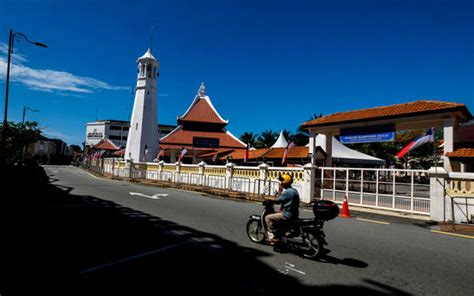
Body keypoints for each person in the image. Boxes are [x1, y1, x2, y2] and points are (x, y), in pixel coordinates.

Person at [265, 174, 300, 243]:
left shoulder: (287, 192)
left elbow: (277, 200)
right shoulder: (294, 190)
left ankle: (274, 236)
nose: (281, 184)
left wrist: (270, 200)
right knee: (276, 215)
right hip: (294, 213)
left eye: (282, 182)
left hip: (287, 214)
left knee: (268, 218)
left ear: (285, 183)